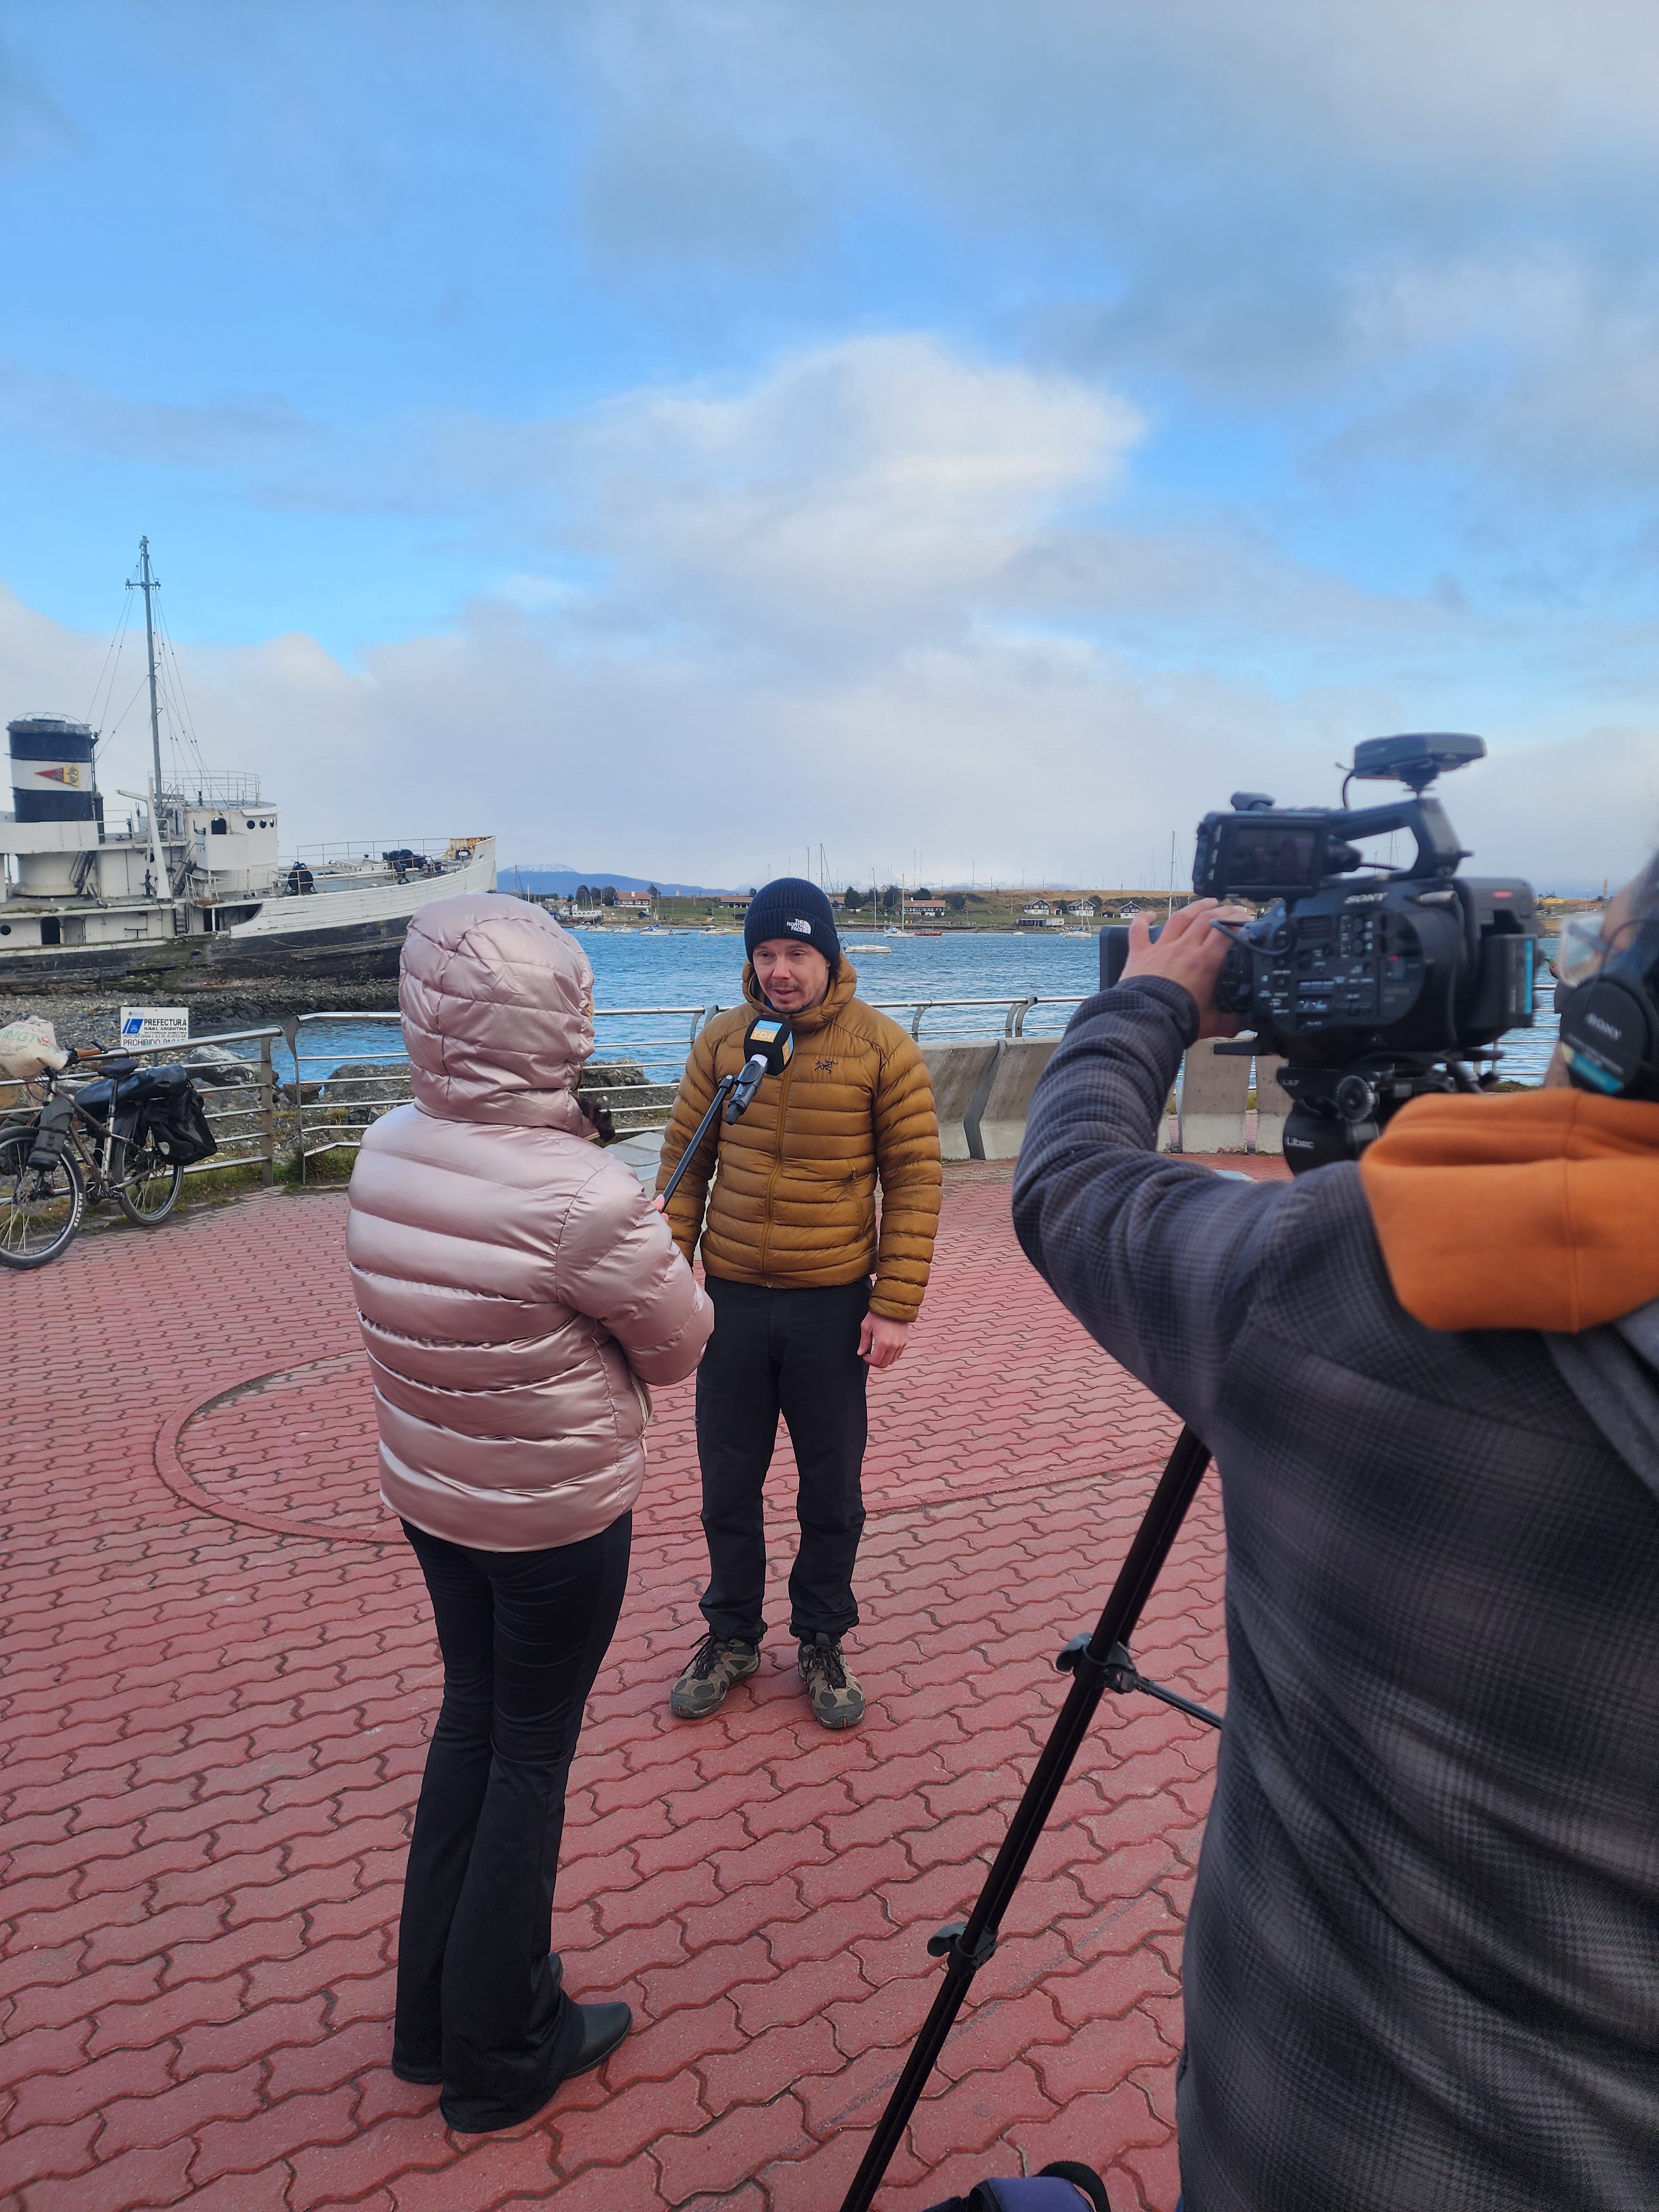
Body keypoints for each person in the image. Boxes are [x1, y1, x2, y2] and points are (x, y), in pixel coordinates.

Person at [1011, 873, 1659, 2210]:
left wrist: (1146, 1003)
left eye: (1600, 955)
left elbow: (1074, 1184)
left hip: (1306, 2145)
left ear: (1623, 1021)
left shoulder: (1359, 1267)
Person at [346, 894, 711, 2133]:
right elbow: (680, 1347)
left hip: (434, 1494)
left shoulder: (386, 1146)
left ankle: (429, 2022)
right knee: (529, 1757)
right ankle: (503, 2048)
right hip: (554, 1517)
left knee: (472, 1722)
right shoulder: (582, 1192)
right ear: (556, 1019)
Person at [656, 877, 942, 1728]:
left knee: (831, 1492)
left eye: (797, 952)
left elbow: (916, 1180)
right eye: (766, 954)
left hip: (831, 1306)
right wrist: (668, 1273)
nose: (780, 971)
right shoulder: (723, 1043)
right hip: (732, 1304)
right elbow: (684, 1167)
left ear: (828, 955)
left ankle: (822, 1637)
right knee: (726, 1486)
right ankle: (732, 1635)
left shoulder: (882, 1048)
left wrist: (895, 1304)